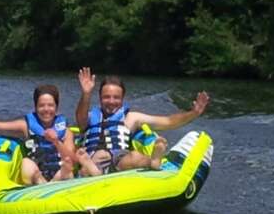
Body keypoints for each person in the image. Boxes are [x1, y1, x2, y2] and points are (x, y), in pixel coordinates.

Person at [75, 67, 210, 175]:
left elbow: (168, 121)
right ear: (99, 98)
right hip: (93, 160)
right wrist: (86, 93)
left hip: (118, 160)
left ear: (122, 99)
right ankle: (93, 171)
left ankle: (153, 161)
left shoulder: (131, 118)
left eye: (116, 97)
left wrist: (193, 113)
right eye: (106, 97)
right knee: (85, 169)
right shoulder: (90, 116)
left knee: (134, 157)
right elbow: (80, 119)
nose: (111, 101)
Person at [0, 84, 81, 185]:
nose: (46, 109)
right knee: (26, 162)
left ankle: (52, 186)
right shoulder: (25, 127)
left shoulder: (66, 132)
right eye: (41, 105)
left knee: (67, 166)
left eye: (50, 105)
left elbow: (72, 160)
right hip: (37, 178)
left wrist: (56, 141)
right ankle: (43, 187)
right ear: (35, 108)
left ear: (56, 108)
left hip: (60, 177)